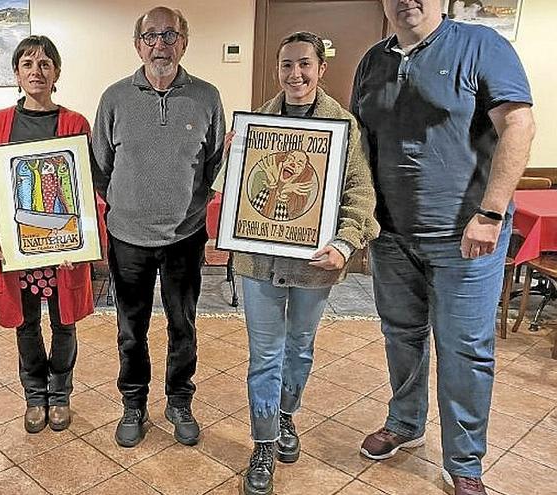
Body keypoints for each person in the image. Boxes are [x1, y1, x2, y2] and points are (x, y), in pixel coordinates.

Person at [351, 1, 535, 494]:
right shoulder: (372, 61)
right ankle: (405, 423)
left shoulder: (483, 47)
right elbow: (359, 146)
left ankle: (465, 460)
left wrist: (492, 212)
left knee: (466, 350)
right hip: (391, 234)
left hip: (466, 236)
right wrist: (360, 223)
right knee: (400, 335)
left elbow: (519, 125)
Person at [213, 31, 378, 495]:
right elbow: (230, 194)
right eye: (286, 65)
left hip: (312, 265)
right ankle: (264, 441)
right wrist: (232, 158)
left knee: (300, 348)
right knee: (265, 354)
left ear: (321, 68)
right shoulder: (255, 125)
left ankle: (287, 416)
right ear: (277, 70)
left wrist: (346, 243)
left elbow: (360, 195)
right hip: (259, 263)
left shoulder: (344, 126)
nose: (295, 74)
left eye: (304, 64)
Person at [92, 6, 225, 448]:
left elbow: (212, 166)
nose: (160, 44)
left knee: (183, 326)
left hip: (185, 238)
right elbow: (100, 167)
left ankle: (179, 402)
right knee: (131, 328)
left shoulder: (207, 97)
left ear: (184, 42)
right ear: (138, 45)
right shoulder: (114, 98)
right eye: (150, 36)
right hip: (127, 237)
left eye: (170, 35)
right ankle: (133, 404)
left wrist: (185, 207)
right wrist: (129, 204)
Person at [0, 35, 94, 434]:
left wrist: (79, 240)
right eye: (27, 64)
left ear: (57, 72)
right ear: (16, 73)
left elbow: (83, 189)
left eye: (45, 64)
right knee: (26, 323)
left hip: (62, 245)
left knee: (64, 322)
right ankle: (34, 395)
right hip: (18, 246)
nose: (36, 71)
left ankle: (60, 394)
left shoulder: (75, 122)